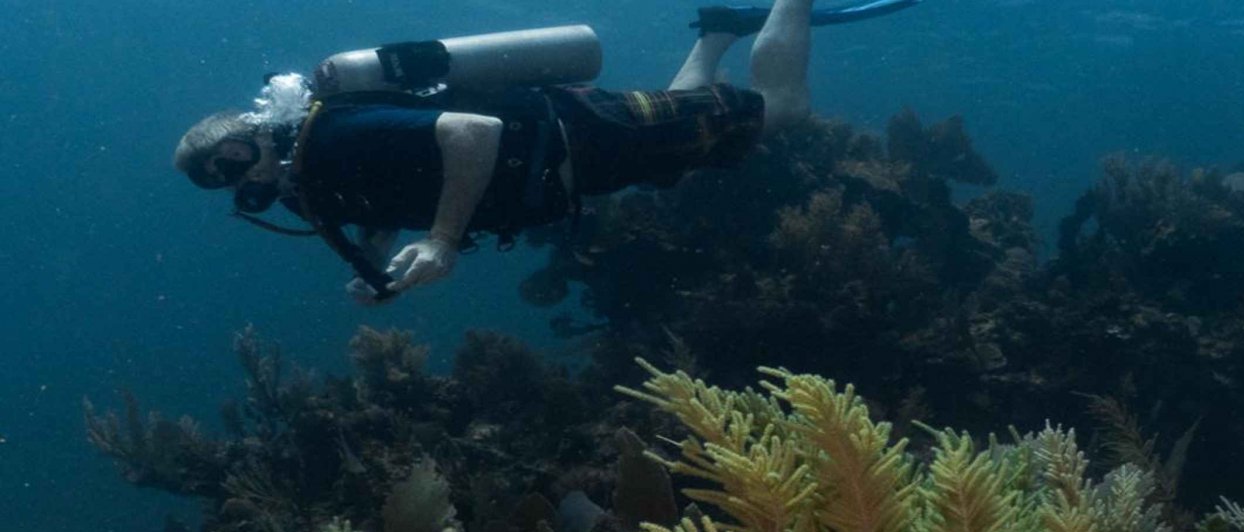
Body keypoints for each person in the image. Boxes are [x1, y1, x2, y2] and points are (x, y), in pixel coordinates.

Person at [174, 0, 917, 301]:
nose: (241, 179)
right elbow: (390, 189)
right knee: (696, 140)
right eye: (221, 182)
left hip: (578, 136)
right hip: (581, 162)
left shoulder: (329, 138)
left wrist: (441, 241)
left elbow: (472, 132)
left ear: (251, 133)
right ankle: (719, 31)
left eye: (234, 158)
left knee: (780, 113)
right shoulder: (315, 182)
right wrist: (383, 257)